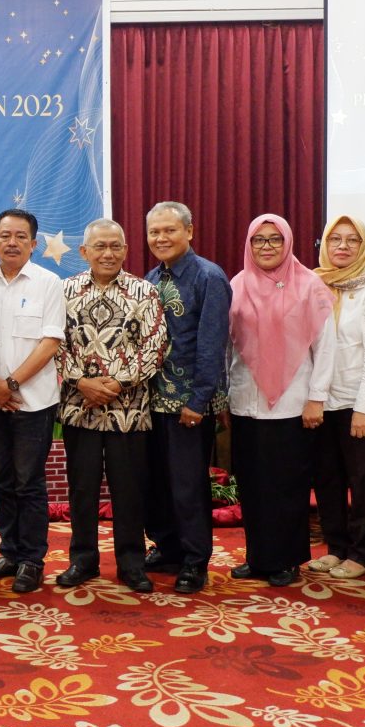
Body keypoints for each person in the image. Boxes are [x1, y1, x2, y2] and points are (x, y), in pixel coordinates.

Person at [56, 219, 167, 593]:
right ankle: (82, 560)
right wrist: (81, 382)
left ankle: (132, 563)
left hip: (129, 411)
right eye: (100, 246)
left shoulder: (144, 292)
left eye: (115, 246)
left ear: (126, 250)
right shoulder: (65, 291)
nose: (108, 253)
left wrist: (119, 383)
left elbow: (155, 346)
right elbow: (54, 343)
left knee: (129, 490)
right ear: (84, 251)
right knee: (82, 489)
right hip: (79, 407)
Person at [227, 214, 335, 587]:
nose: (267, 246)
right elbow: (229, 347)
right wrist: (225, 397)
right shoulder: (237, 284)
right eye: (259, 240)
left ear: (288, 242)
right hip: (246, 402)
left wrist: (316, 398)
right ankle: (259, 557)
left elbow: (326, 346)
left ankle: (287, 559)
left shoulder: (310, 285)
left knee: (288, 486)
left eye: (275, 239)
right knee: (253, 485)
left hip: (293, 404)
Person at [142, 201, 231, 594]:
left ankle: (195, 561)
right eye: (154, 232)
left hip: (189, 404)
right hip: (151, 402)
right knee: (157, 483)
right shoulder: (150, 278)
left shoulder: (208, 276)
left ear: (189, 231)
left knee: (188, 486)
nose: (161, 238)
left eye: (170, 230)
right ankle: (167, 548)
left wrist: (198, 400)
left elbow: (212, 344)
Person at [0, 209, 64, 594]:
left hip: (34, 402)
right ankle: (9, 552)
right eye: (5, 236)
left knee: (28, 481)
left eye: (21, 236)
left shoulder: (48, 282)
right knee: (3, 479)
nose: (12, 243)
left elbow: (50, 342)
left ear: (33, 243)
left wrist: (10, 384)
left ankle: (32, 559)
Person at [310, 215, 365, 580]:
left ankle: (362, 554)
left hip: (363, 403)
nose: (343, 246)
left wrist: (364, 409)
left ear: (364, 246)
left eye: (352, 240)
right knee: (327, 479)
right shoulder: (315, 284)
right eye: (335, 239)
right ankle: (336, 547)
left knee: (364, 483)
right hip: (322, 402)